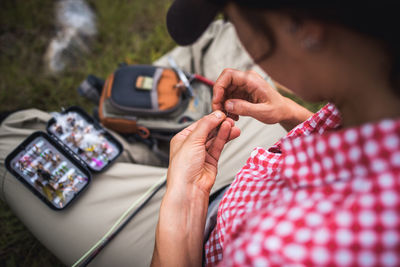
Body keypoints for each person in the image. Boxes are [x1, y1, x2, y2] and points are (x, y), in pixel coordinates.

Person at [0, 20, 287, 266]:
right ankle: (122, 112)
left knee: (9, 139)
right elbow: (327, 133)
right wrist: (288, 112)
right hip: (262, 162)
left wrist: (183, 196)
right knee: (219, 38)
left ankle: (118, 126)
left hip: (181, 237)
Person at [151, 0, 400, 267]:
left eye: (235, 21)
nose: (240, 36)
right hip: (240, 194)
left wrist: (183, 196)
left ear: (300, 25)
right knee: (213, 42)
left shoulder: (276, 253)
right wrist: (290, 113)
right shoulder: (374, 97)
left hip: (194, 236)